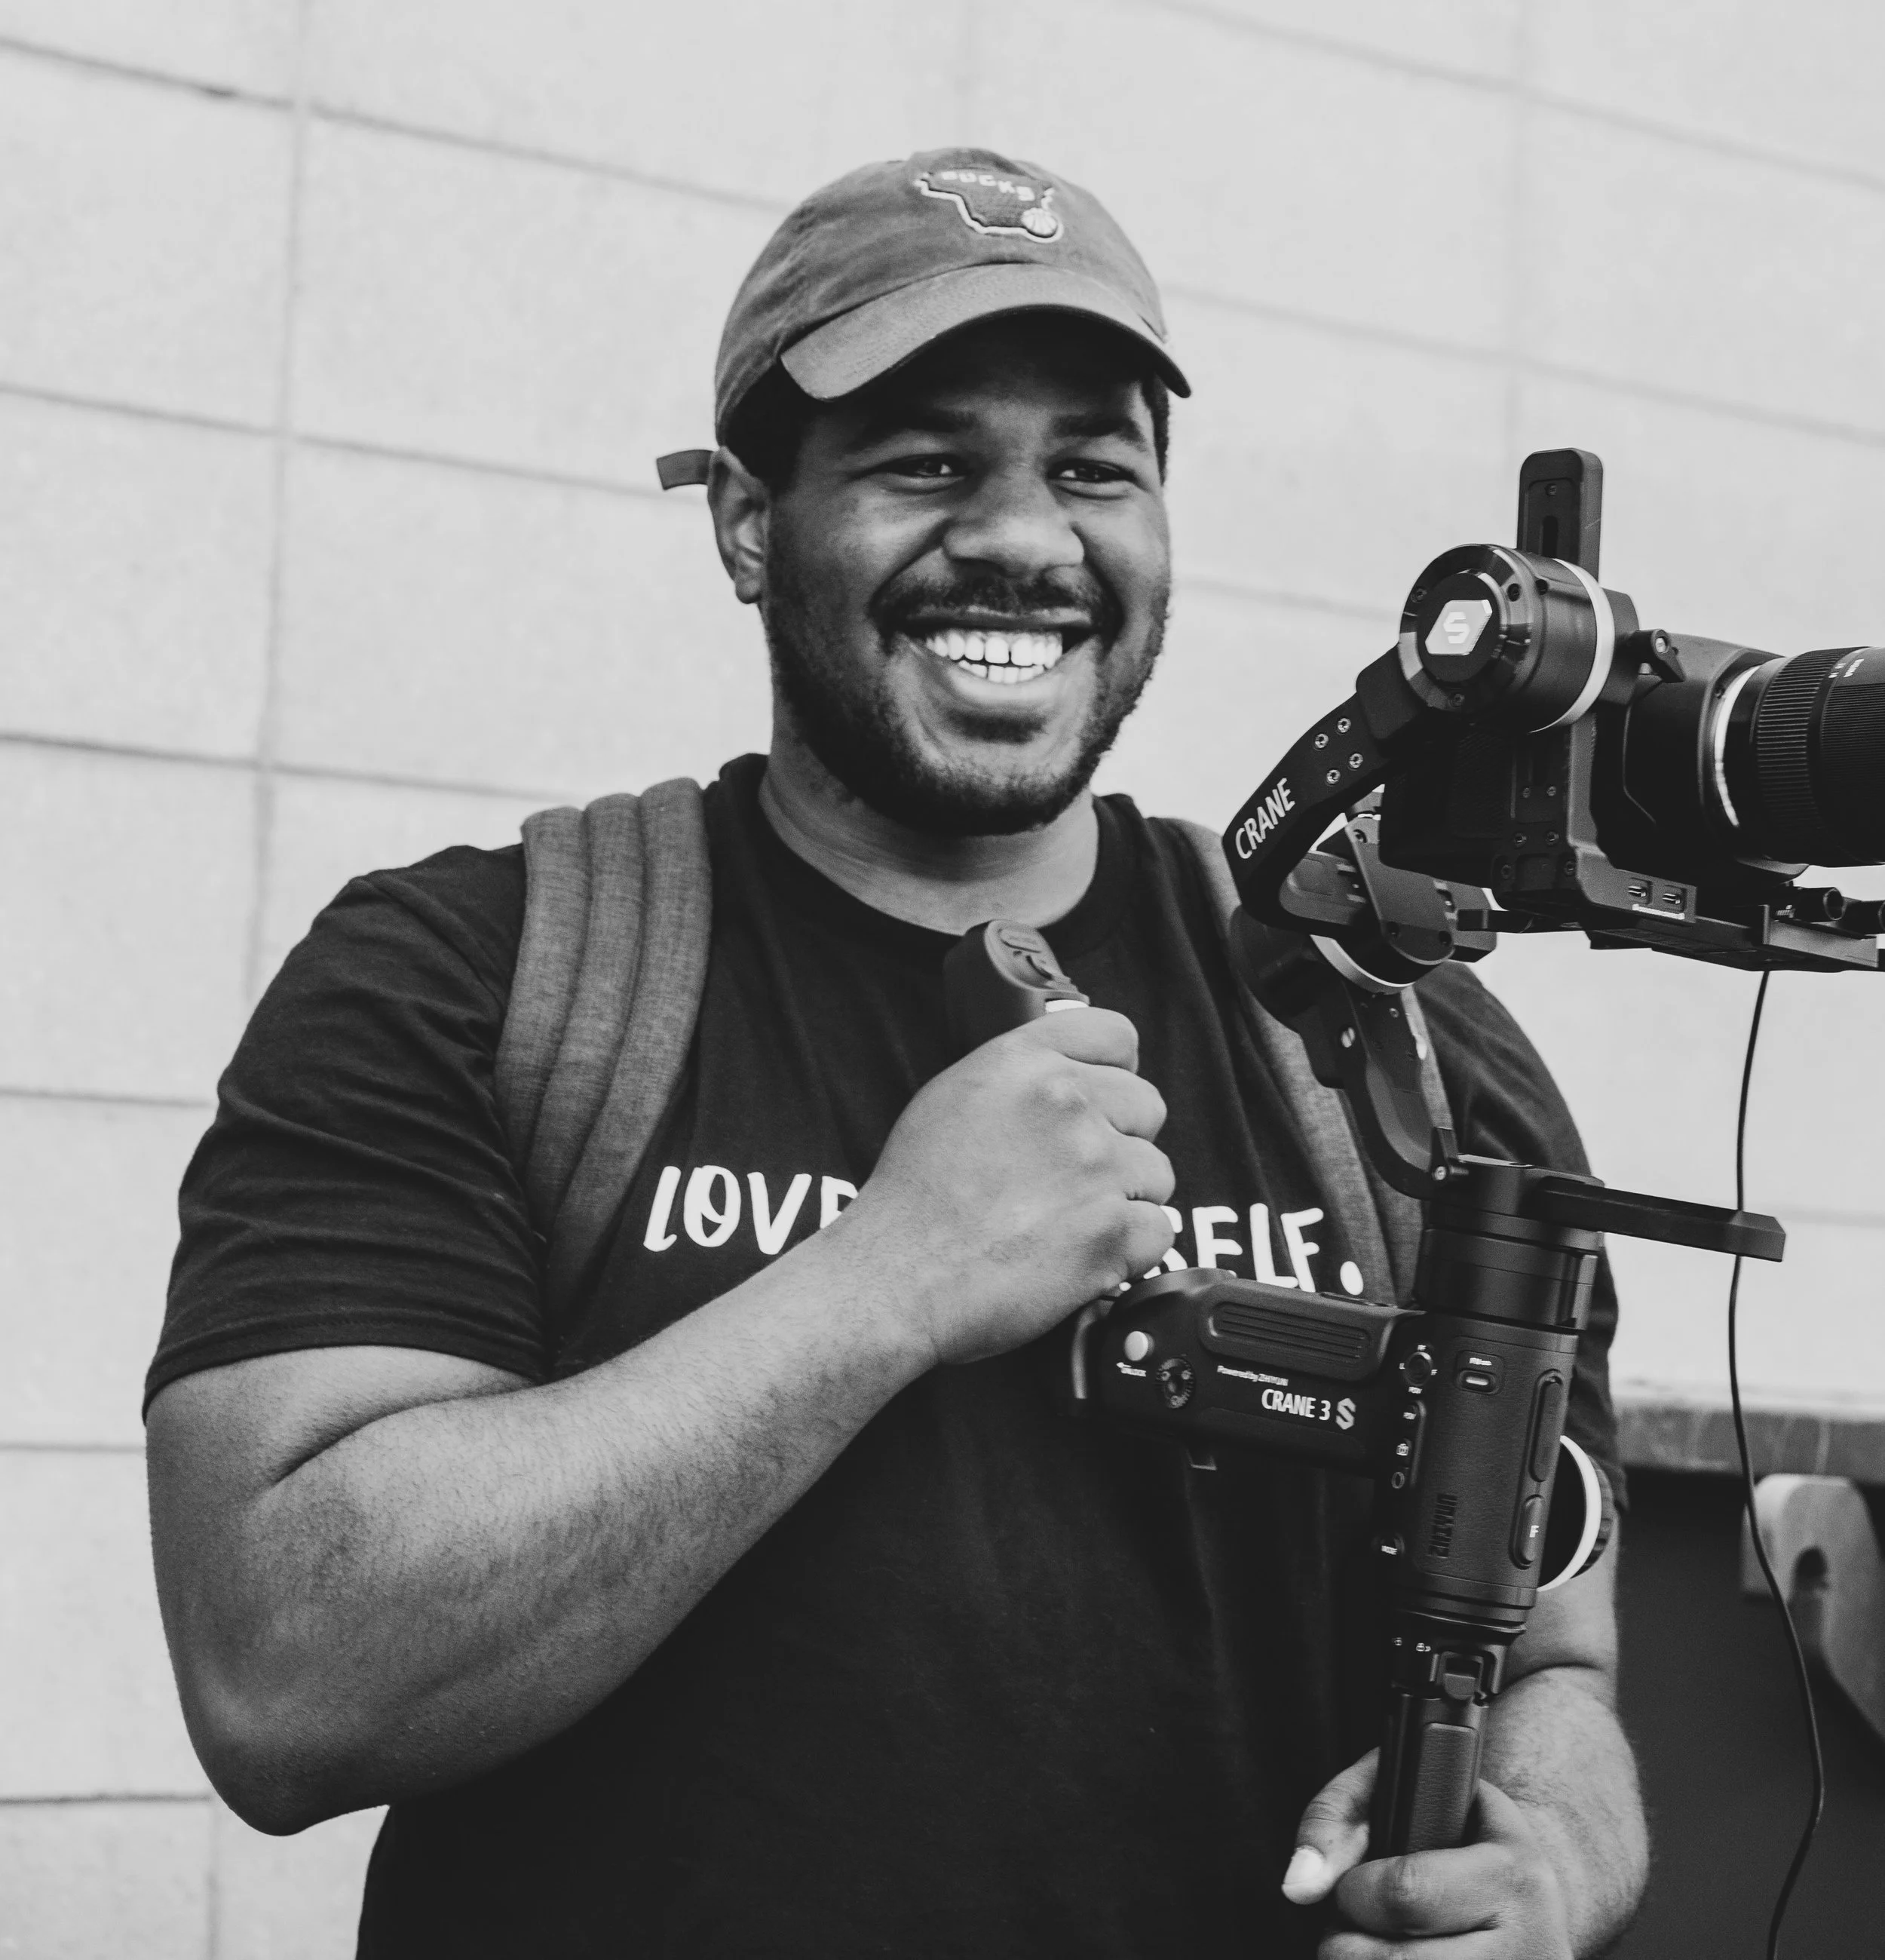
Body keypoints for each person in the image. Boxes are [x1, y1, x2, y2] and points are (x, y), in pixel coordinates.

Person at [146, 149, 1647, 1958]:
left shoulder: (1391, 1037)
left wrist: (1551, 1859)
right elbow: (285, 1678)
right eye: (924, 461)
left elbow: (1552, 1653)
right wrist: (891, 1277)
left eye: (1091, 464)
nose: (1023, 535)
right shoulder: (465, 976)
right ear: (743, 520)